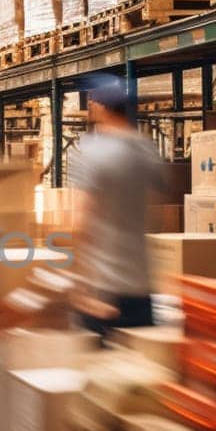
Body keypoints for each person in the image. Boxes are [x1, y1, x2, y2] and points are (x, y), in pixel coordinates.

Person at [66, 72, 167, 333]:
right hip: (142, 287)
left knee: (101, 371)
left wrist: (79, 288)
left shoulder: (92, 151)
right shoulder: (147, 150)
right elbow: (158, 213)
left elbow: (80, 223)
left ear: (98, 106)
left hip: (103, 292)